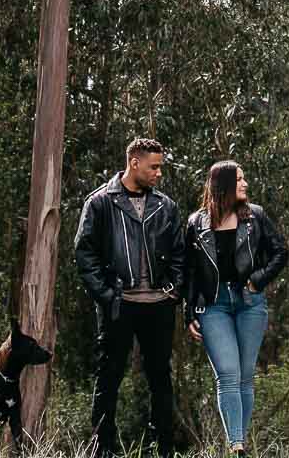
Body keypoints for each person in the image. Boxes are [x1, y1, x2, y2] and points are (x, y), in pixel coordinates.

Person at [73, 137, 187, 458]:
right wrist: (107, 295)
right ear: (134, 163)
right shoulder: (100, 203)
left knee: (160, 379)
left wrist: (173, 291)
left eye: (160, 167)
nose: (159, 173)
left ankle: (162, 449)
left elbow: (179, 254)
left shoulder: (166, 206)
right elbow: (84, 255)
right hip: (119, 306)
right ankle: (102, 449)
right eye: (154, 167)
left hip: (158, 307)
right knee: (108, 378)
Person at [182, 161, 289, 456]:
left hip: (249, 304)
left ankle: (239, 442)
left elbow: (281, 251)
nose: (245, 184)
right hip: (213, 305)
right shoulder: (196, 223)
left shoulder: (255, 217)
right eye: (239, 179)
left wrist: (257, 280)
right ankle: (237, 445)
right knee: (227, 373)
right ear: (224, 185)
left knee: (244, 375)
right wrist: (188, 311)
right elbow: (189, 271)